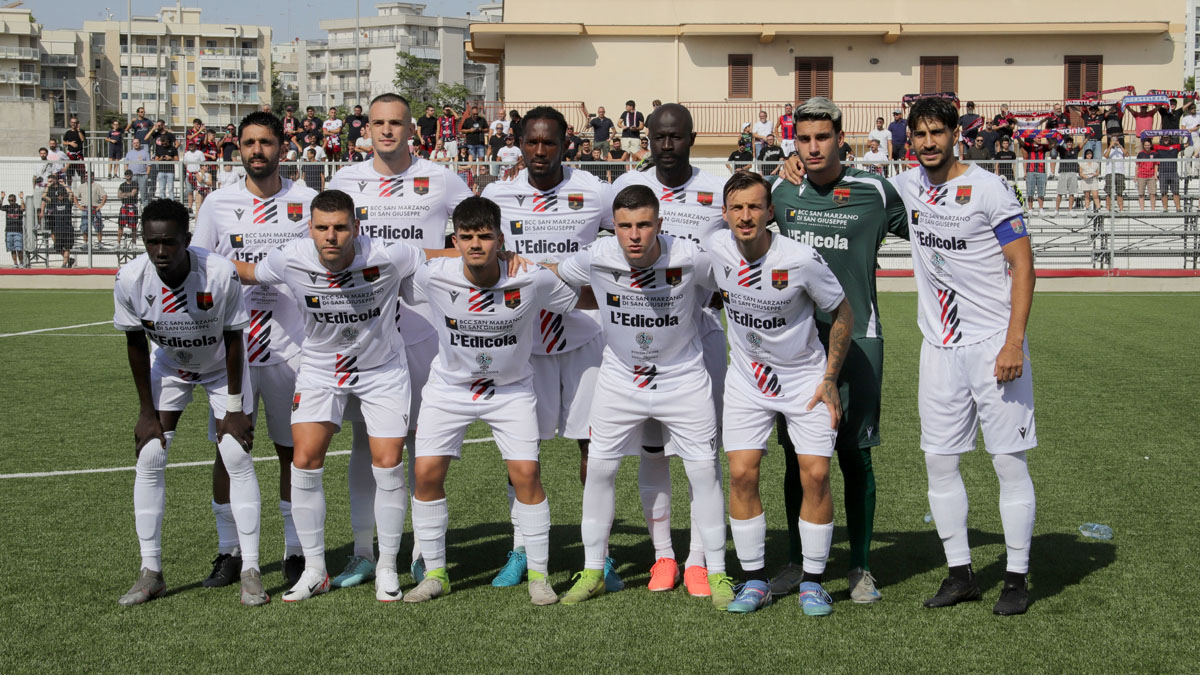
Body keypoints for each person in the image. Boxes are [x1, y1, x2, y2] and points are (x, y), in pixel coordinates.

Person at [231, 188, 457, 603]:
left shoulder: (387, 254)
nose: (330, 236)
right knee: (303, 461)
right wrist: (195, 260)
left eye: (339, 227)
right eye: (322, 228)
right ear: (310, 228)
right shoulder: (290, 258)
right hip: (321, 371)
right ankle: (315, 570)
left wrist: (492, 255)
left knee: (388, 464)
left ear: (356, 227)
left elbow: (435, 256)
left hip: (381, 370)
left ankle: (386, 566)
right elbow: (249, 272)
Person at [545, 184, 733, 609]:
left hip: (683, 379)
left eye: (644, 225)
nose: (634, 235)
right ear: (613, 226)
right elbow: (554, 273)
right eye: (624, 226)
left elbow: (732, 282)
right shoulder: (597, 255)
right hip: (620, 381)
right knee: (600, 469)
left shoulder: (688, 256)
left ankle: (711, 569)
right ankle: (597, 569)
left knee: (704, 472)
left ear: (659, 224)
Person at [893, 96, 1038, 616]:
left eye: (938, 132)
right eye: (920, 134)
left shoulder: (989, 188)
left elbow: (1023, 266)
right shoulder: (906, 185)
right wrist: (795, 166)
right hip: (939, 348)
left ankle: (1016, 578)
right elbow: (850, 188)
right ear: (910, 140)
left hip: (993, 345)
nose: (929, 142)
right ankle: (961, 575)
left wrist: (1013, 342)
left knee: (1007, 462)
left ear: (956, 135)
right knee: (939, 461)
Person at [402, 196, 583, 606]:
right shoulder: (433, 276)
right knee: (426, 473)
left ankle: (539, 576)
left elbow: (574, 299)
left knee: (527, 475)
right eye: (466, 237)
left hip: (511, 391)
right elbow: (394, 279)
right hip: (449, 389)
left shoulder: (530, 277)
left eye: (484, 236)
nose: (475, 245)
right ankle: (435, 574)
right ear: (454, 241)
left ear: (501, 239)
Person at [327, 92, 476, 590]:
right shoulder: (345, 180)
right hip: (367, 329)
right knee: (366, 443)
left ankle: (421, 551)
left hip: (426, 326)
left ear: (413, 129)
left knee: (421, 441)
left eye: (396, 123)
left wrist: (424, 257)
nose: (387, 131)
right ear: (366, 129)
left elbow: (476, 231)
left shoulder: (442, 179)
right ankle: (363, 551)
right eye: (378, 123)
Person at [770, 97, 910, 606]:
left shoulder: (875, 190)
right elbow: (737, 217)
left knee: (855, 457)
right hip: (797, 347)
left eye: (822, 138)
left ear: (840, 139)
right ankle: (796, 561)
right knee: (797, 458)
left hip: (860, 339)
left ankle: (861, 566)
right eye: (803, 139)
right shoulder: (781, 190)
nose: (812, 148)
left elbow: (929, 228)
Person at [481, 105, 617, 588]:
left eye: (549, 142)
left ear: (566, 145)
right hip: (524, 342)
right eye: (532, 142)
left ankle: (598, 555)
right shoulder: (497, 194)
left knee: (595, 447)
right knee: (523, 448)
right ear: (519, 143)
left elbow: (635, 223)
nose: (540, 151)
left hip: (585, 335)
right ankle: (522, 547)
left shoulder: (595, 191)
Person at [706, 170, 852, 615]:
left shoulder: (801, 259)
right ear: (725, 213)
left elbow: (842, 311)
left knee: (816, 475)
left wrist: (830, 377)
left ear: (770, 212)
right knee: (741, 474)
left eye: (755, 206)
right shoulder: (715, 248)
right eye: (737, 208)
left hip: (804, 380)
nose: (745, 216)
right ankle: (755, 581)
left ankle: (813, 582)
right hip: (747, 380)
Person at [113, 198, 264, 607]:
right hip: (170, 367)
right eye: (152, 242)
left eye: (170, 242)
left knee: (235, 453)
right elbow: (135, 344)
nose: (161, 251)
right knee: (150, 454)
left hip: (220, 367)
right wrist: (146, 413)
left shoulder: (219, 273)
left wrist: (234, 406)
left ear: (187, 239)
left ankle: (250, 570)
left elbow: (234, 338)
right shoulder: (130, 278)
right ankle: (151, 572)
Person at [192, 110, 318, 590]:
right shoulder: (218, 203)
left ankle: (294, 550)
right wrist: (256, 272)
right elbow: (200, 265)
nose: (257, 151)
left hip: (294, 348)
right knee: (228, 452)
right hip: (233, 352)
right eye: (249, 143)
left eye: (266, 142)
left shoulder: (307, 202)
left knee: (293, 453)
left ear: (282, 147)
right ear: (238, 148)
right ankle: (229, 551)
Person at [612, 103, 728, 597]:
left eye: (676, 136)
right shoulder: (627, 187)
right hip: (644, 341)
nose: (666, 145)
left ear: (691, 138)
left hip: (702, 336)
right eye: (658, 137)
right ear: (648, 140)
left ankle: (699, 559)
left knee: (704, 458)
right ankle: (663, 557)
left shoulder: (719, 187)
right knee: (653, 452)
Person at [40, 175, 74, 267]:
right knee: (58, 248)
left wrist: (64, 185)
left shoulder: (67, 202)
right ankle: (69, 260)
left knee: (67, 247)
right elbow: (44, 197)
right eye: (58, 194)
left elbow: (71, 194)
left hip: (67, 229)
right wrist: (48, 186)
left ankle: (64, 264)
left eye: (61, 194)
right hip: (58, 228)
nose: (60, 196)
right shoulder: (54, 201)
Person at [74, 174, 107, 249]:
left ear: (92, 176)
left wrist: (100, 205)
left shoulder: (97, 186)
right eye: (85, 176)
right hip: (85, 209)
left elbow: (104, 196)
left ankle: (100, 243)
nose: (86, 177)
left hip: (95, 209)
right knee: (85, 227)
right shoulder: (81, 186)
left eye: (88, 176)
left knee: (98, 227)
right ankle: (85, 243)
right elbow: (75, 196)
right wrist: (78, 206)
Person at [1020, 135, 1050, 213]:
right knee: (1030, 191)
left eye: (1040, 137)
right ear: (1034, 138)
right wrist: (1017, 137)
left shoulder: (1043, 147)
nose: (1040, 139)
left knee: (1041, 191)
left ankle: (1041, 209)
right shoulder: (1029, 146)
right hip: (1031, 171)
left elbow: (1052, 145)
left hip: (1041, 171)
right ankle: (1030, 209)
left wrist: (1049, 136)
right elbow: (1021, 143)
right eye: (1038, 137)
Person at [1154, 135, 1184, 212]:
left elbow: (1188, 144)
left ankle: (1178, 208)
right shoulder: (1157, 147)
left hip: (1173, 172)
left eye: (1167, 137)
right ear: (1162, 138)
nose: (1166, 139)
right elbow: (1146, 145)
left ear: (1170, 138)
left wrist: (1189, 135)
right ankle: (1165, 208)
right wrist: (1145, 134)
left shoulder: (1176, 146)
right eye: (1164, 138)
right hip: (1162, 173)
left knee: (1176, 192)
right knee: (1163, 192)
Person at [150, 120, 178, 201]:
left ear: (168, 141)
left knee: (171, 189)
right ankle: (162, 204)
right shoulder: (159, 149)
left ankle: (172, 203)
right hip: (161, 171)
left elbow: (177, 160)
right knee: (162, 189)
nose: (164, 145)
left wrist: (170, 158)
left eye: (165, 143)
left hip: (170, 171)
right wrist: (161, 159)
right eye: (163, 143)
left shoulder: (173, 148)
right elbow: (156, 159)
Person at [1054, 137, 1080, 215]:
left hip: (1072, 172)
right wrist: (1053, 136)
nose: (1069, 143)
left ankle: (1070, 210)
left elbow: (1083, 144)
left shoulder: (1075, 150)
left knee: (1072, 193)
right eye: (1068, 142)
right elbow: (1054, 145)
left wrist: (1088, 136)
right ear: (1066, 143)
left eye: (1071, 142)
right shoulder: (1062, 150)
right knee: (1060, 193)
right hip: (1063, 172)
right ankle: (1056, 210)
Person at [62, 117, 88, 186]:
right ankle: (69, 188)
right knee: (69, 174)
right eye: (72, 122)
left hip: (79, 155)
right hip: (70, 156)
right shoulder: (68, 132)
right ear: (70, 123)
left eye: (75, 122)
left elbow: (82, 139)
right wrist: (70, 143)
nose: (74, 124)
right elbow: (63, 142)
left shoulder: (81, 131)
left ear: (78, 123)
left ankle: (83, 188)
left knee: (82, 174)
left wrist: (78, 130)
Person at [116, 170, 139, 249]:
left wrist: (124, 194)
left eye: (129, 174)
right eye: (126, 174)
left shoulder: (135, 184)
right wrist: (128, 194)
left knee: (133, 226)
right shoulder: (122, 185)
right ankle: (118, 243)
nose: (127, 176)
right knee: (120, 225)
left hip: (132, 206)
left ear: (131, 175)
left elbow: (133, 194)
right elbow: (118, 195)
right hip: (124, 206)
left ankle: (134, 243)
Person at [2, 191, 25, 267]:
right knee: (12, 249)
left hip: (18, 231)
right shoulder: (7, 207)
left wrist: (21, 198)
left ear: (15, 200)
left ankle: (21, 262)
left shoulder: (18, 207)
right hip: (9, 231)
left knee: (19, 248)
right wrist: (2, 198)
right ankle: (15, 263)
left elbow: (23, 208)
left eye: (12, 200)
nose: (11, 202)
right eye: (9, 200)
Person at [1104, 135, 1127, 211]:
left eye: (1116, 140)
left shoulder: (1121, 150)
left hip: (1120, 172)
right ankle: (1107, 209)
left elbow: (1127, 154)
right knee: (1109, 192)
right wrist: (1111, 146)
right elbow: (1106, 156)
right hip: (1110, 173)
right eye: (1113, 140)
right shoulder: (1107, 149)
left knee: (1119, 192)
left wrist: (1120, 146)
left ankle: (1121, 209)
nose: (1114, 142)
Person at [183, 143, 207, 213]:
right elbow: (185, 164)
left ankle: (199, 207)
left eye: (192, 145)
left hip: (197, 174)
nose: (191, 146)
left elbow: (203, 163)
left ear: (195, 145)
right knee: (189, 191)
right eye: (189, 145)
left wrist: (201, 174)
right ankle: (190, 207)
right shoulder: (186, 154)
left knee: (199, 192)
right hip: (189, 174)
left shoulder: (200, 153)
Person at [1136, 138, 1158, 211]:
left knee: (1152, 193)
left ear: (1151, 145)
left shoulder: (1154, 154)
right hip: (1141, 175)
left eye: (1148, 145)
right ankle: (1142, 210)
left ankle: (1153, 210)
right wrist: (1136, 175)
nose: (1147, 146)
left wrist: (1155, 174)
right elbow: (1137, 165)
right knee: (1141, 193)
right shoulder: (1140, 154)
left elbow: (1156, 165)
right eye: (1145, 145)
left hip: (1151, 175)